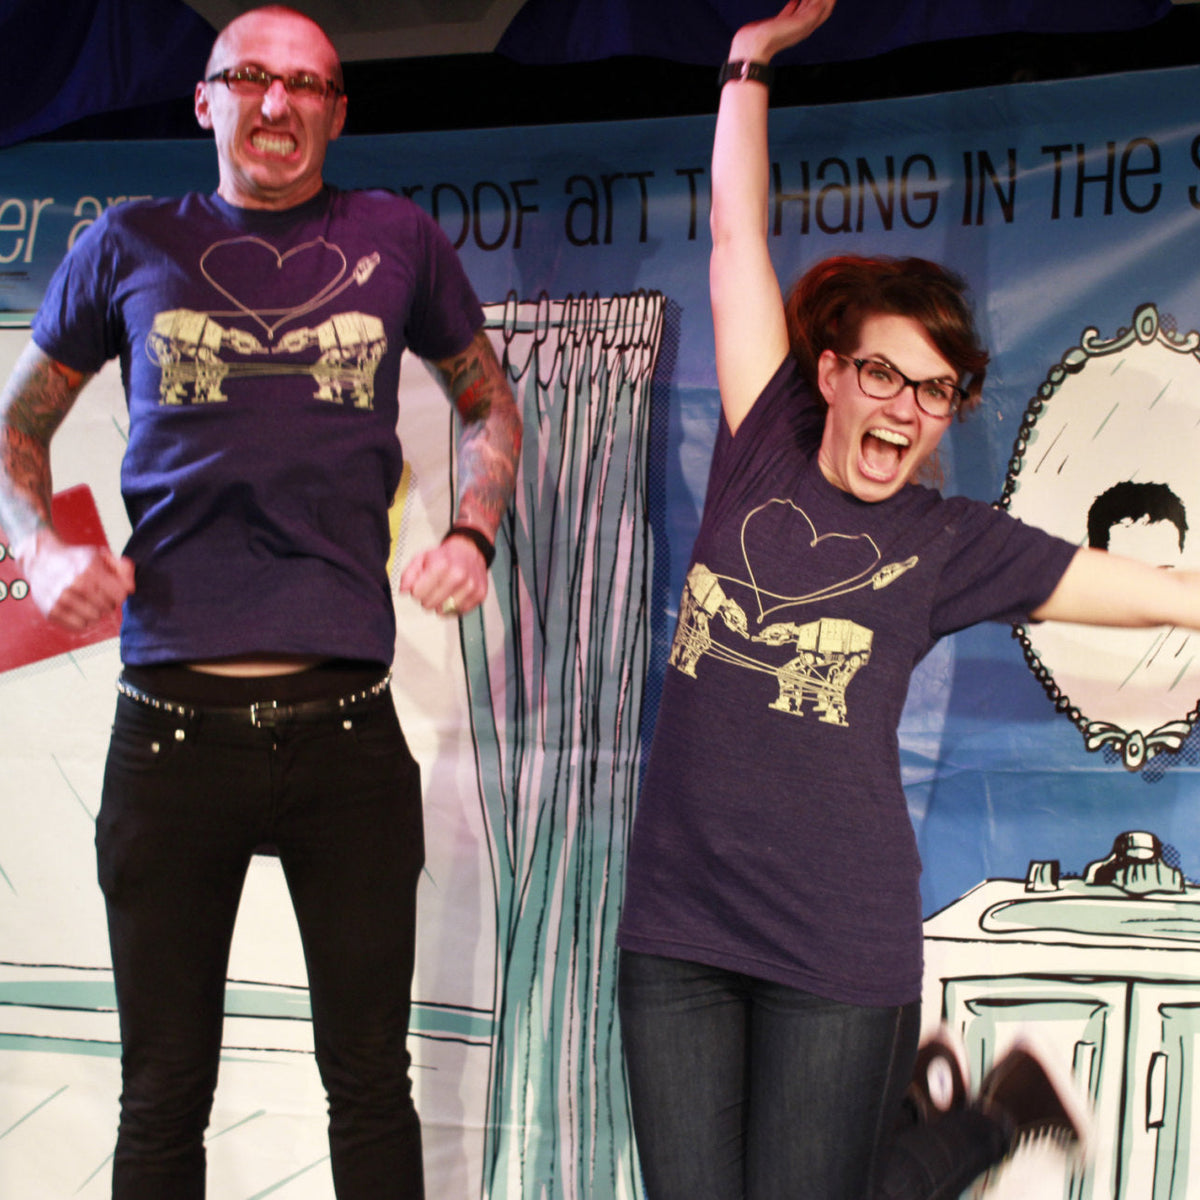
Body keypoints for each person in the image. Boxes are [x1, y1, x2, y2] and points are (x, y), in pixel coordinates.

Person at [615, 2, 1200, 1198]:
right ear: (830, 373)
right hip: (678, 927)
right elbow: (735, 239)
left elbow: (1156, 594)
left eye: (934, 392)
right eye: (882, 372)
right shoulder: (760, 445)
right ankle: (972, 1122)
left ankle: (977, 1126)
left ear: (948, 412)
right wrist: (747, 62)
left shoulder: (949, 543)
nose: (902, 409)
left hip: (833, 939)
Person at [0, 6, 521, 1198]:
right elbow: (17, 429)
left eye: (307, 85)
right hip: (171, 739)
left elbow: (491, 406)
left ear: (339, 110)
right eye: (251, 78)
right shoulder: (129, 243)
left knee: (370, 1086)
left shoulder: (399, 240)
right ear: (205, 100)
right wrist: (41, 550)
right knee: (165, 1089)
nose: (277, 104)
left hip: (348, 739)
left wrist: (472, 529)